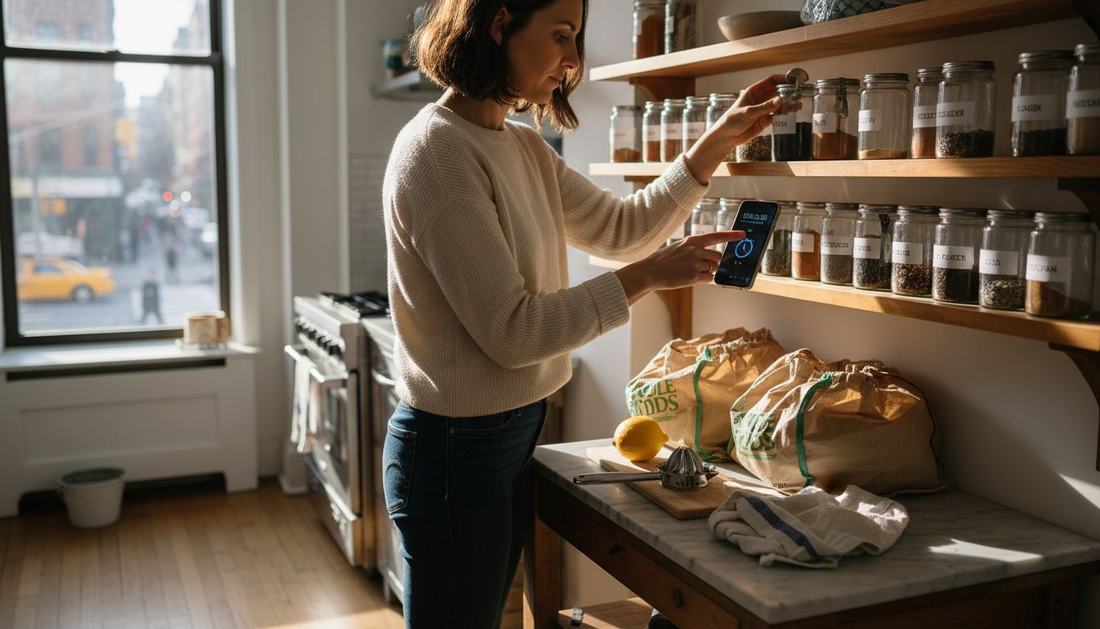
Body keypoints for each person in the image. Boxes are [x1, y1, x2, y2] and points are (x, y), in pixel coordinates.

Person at [381, 1, 782, 626]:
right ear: (498, 25)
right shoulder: (437, 153)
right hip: (455, 451)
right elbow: (514, 333)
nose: (573, 60)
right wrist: (651, 275)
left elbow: (622, 228)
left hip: (506, 434)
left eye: (577, 38)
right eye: (561, 35)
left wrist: (716, 142)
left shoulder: (520, 146)